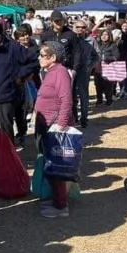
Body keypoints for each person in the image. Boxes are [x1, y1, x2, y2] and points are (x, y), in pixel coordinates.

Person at [34, 41, 74, 218]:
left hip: (55, 125)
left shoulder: (60, 72)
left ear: (53, 57)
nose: (39, 58)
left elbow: (66, 100)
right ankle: (57, 199)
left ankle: (61, 205)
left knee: (56, 166)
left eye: (42, 55)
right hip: (46, 123)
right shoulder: (49, 72)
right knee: (50, 165)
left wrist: (61, 124)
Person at [0, 23, 39, 145]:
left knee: (5, 127)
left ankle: (9, 155)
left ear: (1, 36)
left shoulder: (13, 48)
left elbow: (34, 59)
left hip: (5, 94)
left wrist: (20, 75)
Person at [72, 20, 98, 128]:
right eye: (78, 27)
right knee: (71, 95)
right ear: (73, 27)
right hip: (71, 70)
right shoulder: (70, 39)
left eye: (83, 27)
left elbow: (97, 56)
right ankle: (73, 118)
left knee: (83, 96)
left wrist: (90, 67)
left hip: (83, 71)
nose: (80, 29)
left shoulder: (91, 40)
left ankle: (84, 118)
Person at [40, 10, 80, 76]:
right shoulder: (46, 35)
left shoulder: (71, 34)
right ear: (52, 22)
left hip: (66, 68)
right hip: (49, 68)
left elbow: (77, 52)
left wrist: (74, 69)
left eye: (60, 20)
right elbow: (41, 51)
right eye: (56, 21)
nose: (59, 23)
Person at [93, 30, 120, 107]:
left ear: (109, 36)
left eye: (106, 34)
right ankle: (99, 100)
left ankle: (109, 100)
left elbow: (116, 56)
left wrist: (106, 57)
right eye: (102, 34)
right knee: (98, 85)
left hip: (108, 68)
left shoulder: (113, 45)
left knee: (108, 86)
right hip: (98, 68)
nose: (104, 36)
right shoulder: (97, 44)